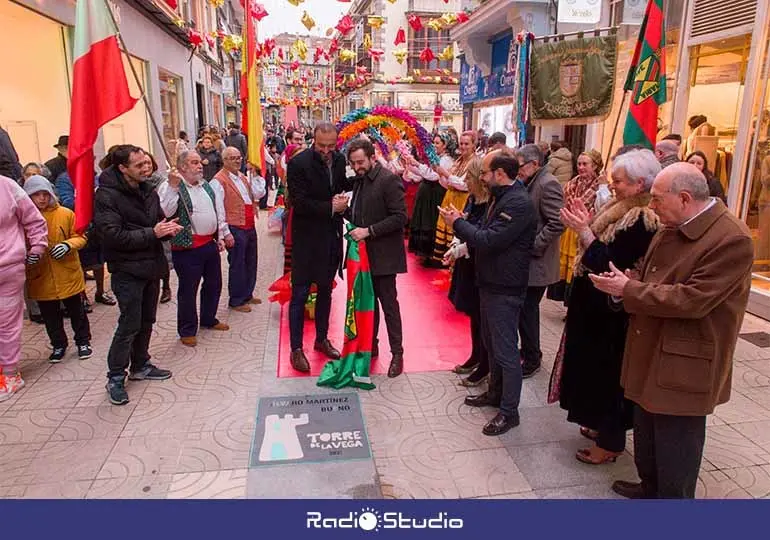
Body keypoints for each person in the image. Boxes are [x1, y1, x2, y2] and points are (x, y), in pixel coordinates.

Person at [590, 162, 753, 499]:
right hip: (652, 343)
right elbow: (654, 277)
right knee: (648, 431)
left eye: (656, 199)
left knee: (676, 443)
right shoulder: (673, 223)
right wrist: (628, 283)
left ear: (683, 198)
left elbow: (692, 299)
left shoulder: (731, 239)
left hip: (687, 357)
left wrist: (629, 291)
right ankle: (650, 486)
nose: (651, 206)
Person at [556, 149, 661, 465]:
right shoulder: (622, 207)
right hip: (597, 308)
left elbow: (611, 263)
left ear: (640, 184)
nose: (612, 185)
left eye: (619, 181)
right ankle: (601, 426)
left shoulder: (641, 218)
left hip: (612, 314)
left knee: (609, 377)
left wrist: (585, 232)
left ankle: (610, 442)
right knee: (594, 372)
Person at [440, 153, 537, 436]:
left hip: (505, 287)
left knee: (506, 351)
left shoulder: (518, 203)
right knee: (492, 344)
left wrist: (457, 223)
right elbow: (483, 231)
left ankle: (509, 412)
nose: (482, 178)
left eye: (485, 173)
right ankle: (495, 393)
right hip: (491, 282)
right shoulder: (502, 196)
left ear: (500, 173)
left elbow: (489, 239)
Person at [94, 145, 179, 405]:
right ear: (122, 168)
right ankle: (116, 376)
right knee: (129, 324)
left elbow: (160, 219)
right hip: (127, 269)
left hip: (151, 266)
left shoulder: (148, 190)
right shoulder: (106, 196)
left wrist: (169, 226)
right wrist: (152, 233)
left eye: (147, 162)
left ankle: (141, 364)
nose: (146, 168)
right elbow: (112, 235)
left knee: (147, 320)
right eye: (139, 165)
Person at [286, 122, 352, 372]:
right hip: (306, 240)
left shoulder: (339, 159)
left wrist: (345, 197)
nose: (326, 151)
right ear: (313, 140)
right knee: (299, 295)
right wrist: (329, 207)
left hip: (331, 237)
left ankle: (321, 339)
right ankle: (296, 349)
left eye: (331, 146)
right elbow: (299, 203)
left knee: (326, 291)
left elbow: (338, 187)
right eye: (321, 146)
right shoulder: (298, 163)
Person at [347, 138, 408, 378]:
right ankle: (370, 346)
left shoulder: (388, 180)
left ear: (373, 157)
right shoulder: (360, 181)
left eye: (360, 162)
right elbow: (361, 212)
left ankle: (397, 353)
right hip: (364, 256)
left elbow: (400, 217)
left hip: (384, 256)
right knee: (367, 304)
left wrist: (368, 231)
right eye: (353, 163)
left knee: (389, 305)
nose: (357, 167)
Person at [158, 150, 233, 347]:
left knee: (214, 283)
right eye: (194, 162)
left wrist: (219, 235)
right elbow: (165, 211)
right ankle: (187, 329)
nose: (200, 166)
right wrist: (174, 187)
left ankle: (209, 318)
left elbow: (217, 212)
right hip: (187, 247)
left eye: (199, 162)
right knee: (188, 289)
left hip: (208, 243)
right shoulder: (170, 186)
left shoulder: (206, 185)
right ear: (182, 167)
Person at [23, 175, 93, 362]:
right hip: (41, 275)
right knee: (50, 315)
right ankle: (58, 344)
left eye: (44, 194)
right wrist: (27, 256)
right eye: (35, 195)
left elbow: (81, 236)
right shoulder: (22, 219)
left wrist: (68, 245)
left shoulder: (65, 214)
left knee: (76, 311)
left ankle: (83, 341)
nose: (41, 199)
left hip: (67, 273)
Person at [516, 144, 565, 377]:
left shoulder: (548, 184)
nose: (518, 172)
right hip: (528, 260)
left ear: (534, 164)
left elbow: (558, 222)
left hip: (539, 261)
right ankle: (527, 350)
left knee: (527, 309)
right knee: (523, 309)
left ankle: (532, 357)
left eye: (520, 167)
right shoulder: (532, 181)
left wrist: (535, 244)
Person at [0, 175, 48, 401]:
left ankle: (9, 374)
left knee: (7, 322)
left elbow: (33, 219)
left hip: (8, 267)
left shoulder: (7, 186)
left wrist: (38, 246)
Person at [445, 155, 491, 387]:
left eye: (471, 177)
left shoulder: (490, 202)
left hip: (480, 264)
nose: (467, 181)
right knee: (473, 314)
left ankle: (485, 363)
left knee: (482, 317)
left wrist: (462, 245)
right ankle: (476, 355)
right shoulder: (474, 199)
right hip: (469, 261)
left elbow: (483, 235)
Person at [210, 147, 266, 312]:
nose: (237, 161)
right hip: (234, 227)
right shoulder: (218, 181)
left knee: (251, 261)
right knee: (237, 264)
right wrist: (225, 232)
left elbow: (256, 195)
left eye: (239, 157)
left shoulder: (242, 177)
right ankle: (236, 299)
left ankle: (247, 293)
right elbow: (219, 208)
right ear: (224, 160)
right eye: (232, 158)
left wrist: (256, 175)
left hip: (249, 225)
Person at [552, 150, 603, 304]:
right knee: (566, 265)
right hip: (568, 230)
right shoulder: (572, 183)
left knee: (578, 265)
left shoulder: (599, 186)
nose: (581, 167)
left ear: (594, 166)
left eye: (585, 164)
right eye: (579, 164)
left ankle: (574, 300)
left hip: (587, 229)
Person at [432, 131, 482, 266]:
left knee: (457, 231)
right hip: (450, 197)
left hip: (462, 200)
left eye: (467, 144)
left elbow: (465, 185)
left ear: (474, 145)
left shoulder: (475, 162)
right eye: (461, 143)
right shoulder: (459, 160)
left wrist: (446, 174)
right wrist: (441, 175)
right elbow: (448, 184)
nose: (463, 146)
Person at [407, 132, 454, 260]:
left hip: (435, 195)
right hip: (428, 193)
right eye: (434, 143)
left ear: (445, 145)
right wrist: (412, 165)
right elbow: (426, 173)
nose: (434, 145)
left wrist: (417, 165)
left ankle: (432, 254)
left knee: (431, 222)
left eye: (437, 143)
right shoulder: (437, 158)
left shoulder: (446, 160)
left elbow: (433, 175)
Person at [140, 152, 173, 303]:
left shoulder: (161, 182)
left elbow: (165, 206)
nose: (146, 167)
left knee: (163, 258)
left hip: (159, 224)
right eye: (142, 164)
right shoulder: (135, 184)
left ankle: (166, 287)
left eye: (148, 163)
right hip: (143, 228)